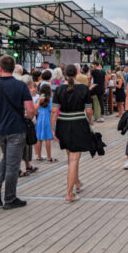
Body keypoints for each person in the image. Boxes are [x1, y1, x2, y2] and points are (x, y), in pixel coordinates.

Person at [0, 54, 35, 210]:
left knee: (7, 159)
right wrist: (28, 117)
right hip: (16, 129)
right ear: (13, 69)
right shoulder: (21, 86)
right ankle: (10, 198)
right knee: (12, 164)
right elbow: (30, 109)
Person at [51, 64, 93, 203]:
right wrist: (91, 121)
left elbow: (54, 111)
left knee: (70, 157)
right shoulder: (83, 88)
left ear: (64, 74)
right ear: (77, 73)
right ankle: (69, 193)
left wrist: (52, 127)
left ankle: (77, 183)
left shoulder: (58, 89)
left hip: (63, 123)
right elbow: (88, 110)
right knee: (74, 159)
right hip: (78, 123)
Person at [34, 83, 54, 162]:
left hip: (39, 119)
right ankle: (49, 157)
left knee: (39, 138)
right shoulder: (50, 100)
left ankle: (39, 157)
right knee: (48, 138)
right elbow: (52, 111)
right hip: (47, 120)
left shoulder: (38, 100)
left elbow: (35, 112)